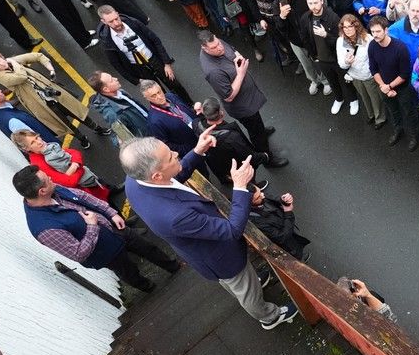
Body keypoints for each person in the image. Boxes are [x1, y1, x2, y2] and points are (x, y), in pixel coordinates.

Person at [121, 132, 298, 328]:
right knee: (245, 291)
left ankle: (254, 282)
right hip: (222, 258)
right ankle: (269, 316)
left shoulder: (135, 180)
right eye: (171, 156)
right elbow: (232, 230)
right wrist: (240, 187)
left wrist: (197, 151)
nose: (176, 153)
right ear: (156, 175)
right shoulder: (174, 217)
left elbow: (173, 178)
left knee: (243, 282)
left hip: (206, 250)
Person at [13, 165, 177, 292]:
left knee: (147, 247)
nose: (51, 178)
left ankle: (174, 267)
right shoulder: (44, 229)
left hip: (112, 228)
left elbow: (84, 197)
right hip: (105, 252)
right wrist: (92, 226)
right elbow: (78, 253)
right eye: (47, 179)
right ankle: (149, 288)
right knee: (129, 272)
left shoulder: (53, 189)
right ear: (42, 191)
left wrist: (111, 213)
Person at [0, 51, 107, 148]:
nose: (1, 62)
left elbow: (38, 56)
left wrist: (51, 70)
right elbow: (21, 76)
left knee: (76, 111)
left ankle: (97, 128)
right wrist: (15, 62)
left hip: (53, 94)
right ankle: (82, 138)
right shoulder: (1, 76)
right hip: (40, 104)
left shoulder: (11, 62)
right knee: (62, 123)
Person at [198, 31, 282, 161]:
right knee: (255, 132)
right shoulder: (213, 72)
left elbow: (232, 49)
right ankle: (266, 157)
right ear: (205, 48)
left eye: (218, 43)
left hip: (248, 97)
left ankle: (261, 130)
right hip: (242, 106)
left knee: (257, 124)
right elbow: (229, 96)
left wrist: (238, 57)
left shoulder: (216, 42)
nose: (219, 47)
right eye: (214, 47)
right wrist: (241, 73)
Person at [95, 6, 192, 105]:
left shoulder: (134, 23)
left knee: (175, 85)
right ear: (103, 21)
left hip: (154, 60)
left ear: (117, 13)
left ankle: (190, 106)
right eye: (111, 21)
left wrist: (166, 63)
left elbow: (155, 40)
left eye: (117, 18)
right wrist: (137, 80)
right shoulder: (107, 40)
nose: (116, 23)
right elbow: (117, 65)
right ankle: (172, 110)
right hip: (140, 69)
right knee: (156, 94)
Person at [367, 15, 419, 149]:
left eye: (378, 31)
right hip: (384, 86)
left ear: (386, 30)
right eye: (373, 32)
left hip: (403, 87)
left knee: (409, 112)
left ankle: (413, 135)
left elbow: (404, 74)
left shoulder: (400, 48)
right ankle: (398, 130)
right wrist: (383, 86)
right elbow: (373, 69)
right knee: (393, 111)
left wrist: (389, 86)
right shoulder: (372, 46)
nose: (375, 35)